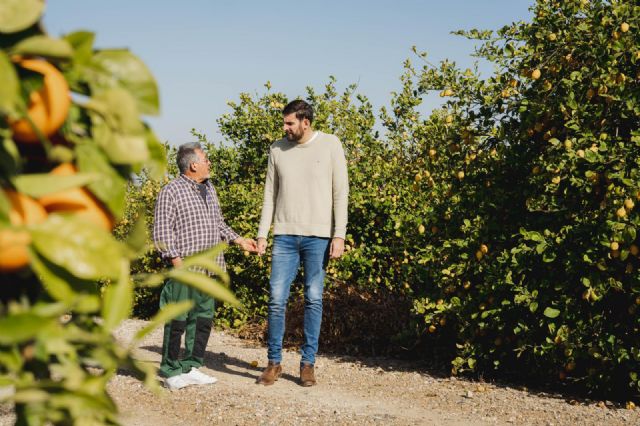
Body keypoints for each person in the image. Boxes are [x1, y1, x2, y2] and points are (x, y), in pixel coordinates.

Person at [256, 100, 349, 386]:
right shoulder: (277, 149)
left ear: (305, 122)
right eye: (284, 123)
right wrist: (262, 233)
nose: (284, 128)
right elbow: (270, 194)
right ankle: (274, 363)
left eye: (289, 123)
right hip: (284, 235)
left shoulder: (331, 144)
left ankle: (307, 364)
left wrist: (339, 234)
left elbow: (340, 192)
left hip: (318, 237)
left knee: (313, 298)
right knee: (275, 299)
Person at [153, 142, 257, 390]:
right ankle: (170, 370)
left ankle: (191, 366)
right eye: (205, 159)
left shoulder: (209, 189)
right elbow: (161, 233)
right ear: (193, 165)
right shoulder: (171, 191)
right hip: (184, 268)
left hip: (209, 270)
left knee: (202, 320)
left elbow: (219, 224)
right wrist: (176, 262)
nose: (209, 162)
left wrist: (240, 240)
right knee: (177, 321)